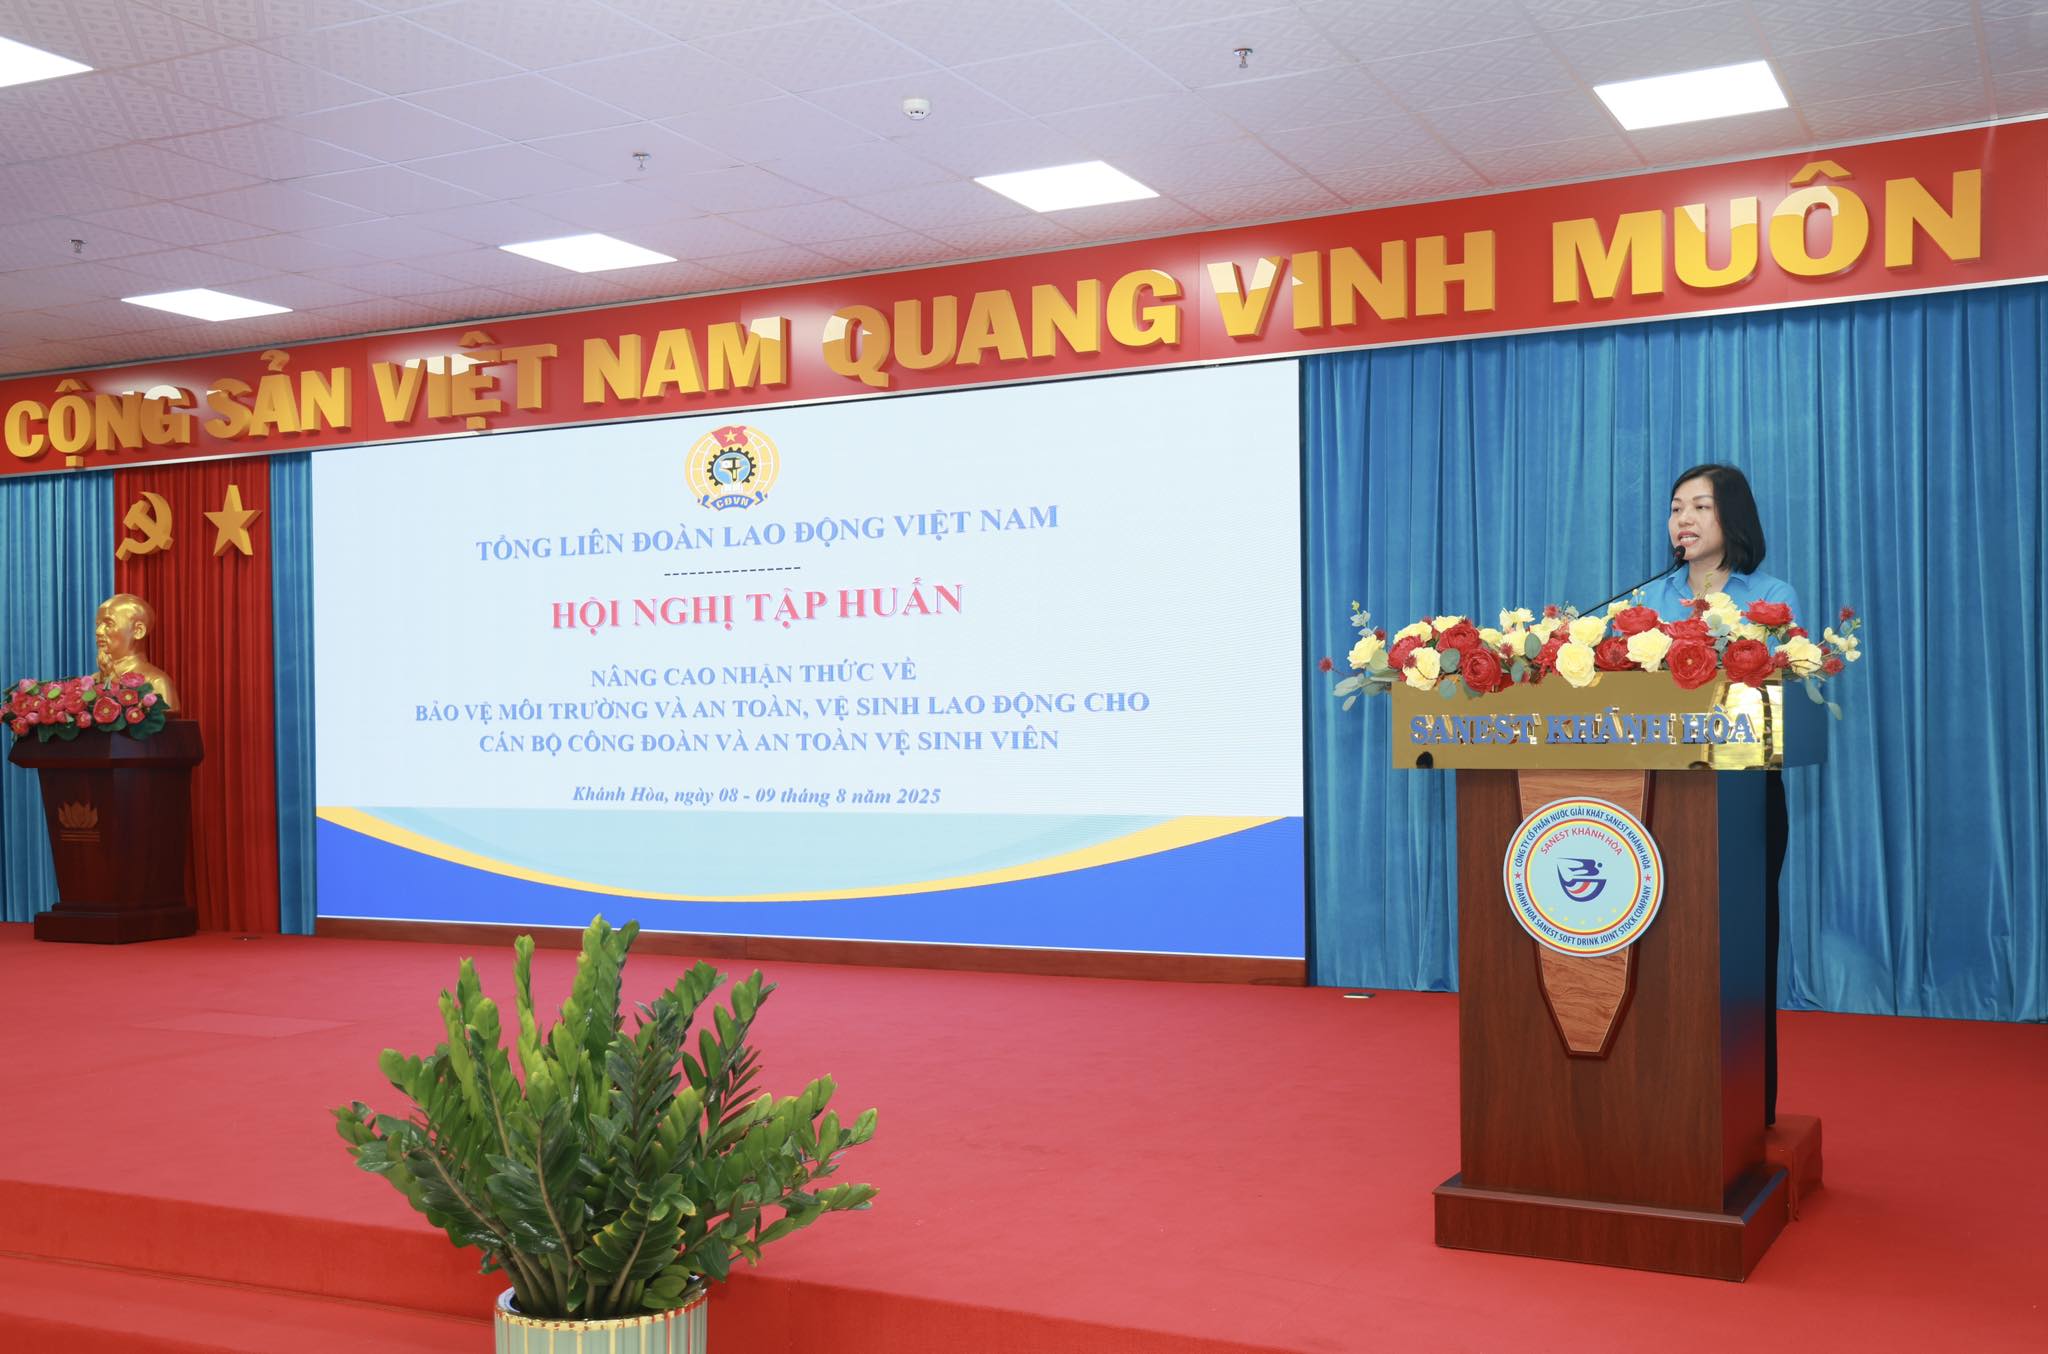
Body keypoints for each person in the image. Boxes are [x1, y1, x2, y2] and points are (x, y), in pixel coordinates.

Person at [1647, 464, 1795, 1127]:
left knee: (1739, 947)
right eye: (1676, 507)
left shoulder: (1771, 597)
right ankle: (1660, 1095)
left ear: (1732, 517)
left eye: (1700, 506)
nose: (1683, 519)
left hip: (1743, 796)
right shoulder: (1646, 600)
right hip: (1654, 792)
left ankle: (1744, 1104)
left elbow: (1782, 696)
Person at [95, 593, 180, 713]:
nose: (98, 631)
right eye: (98, 624)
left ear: (138, 631)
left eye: (109, 624)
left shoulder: (156, 682)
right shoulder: (92, 682)